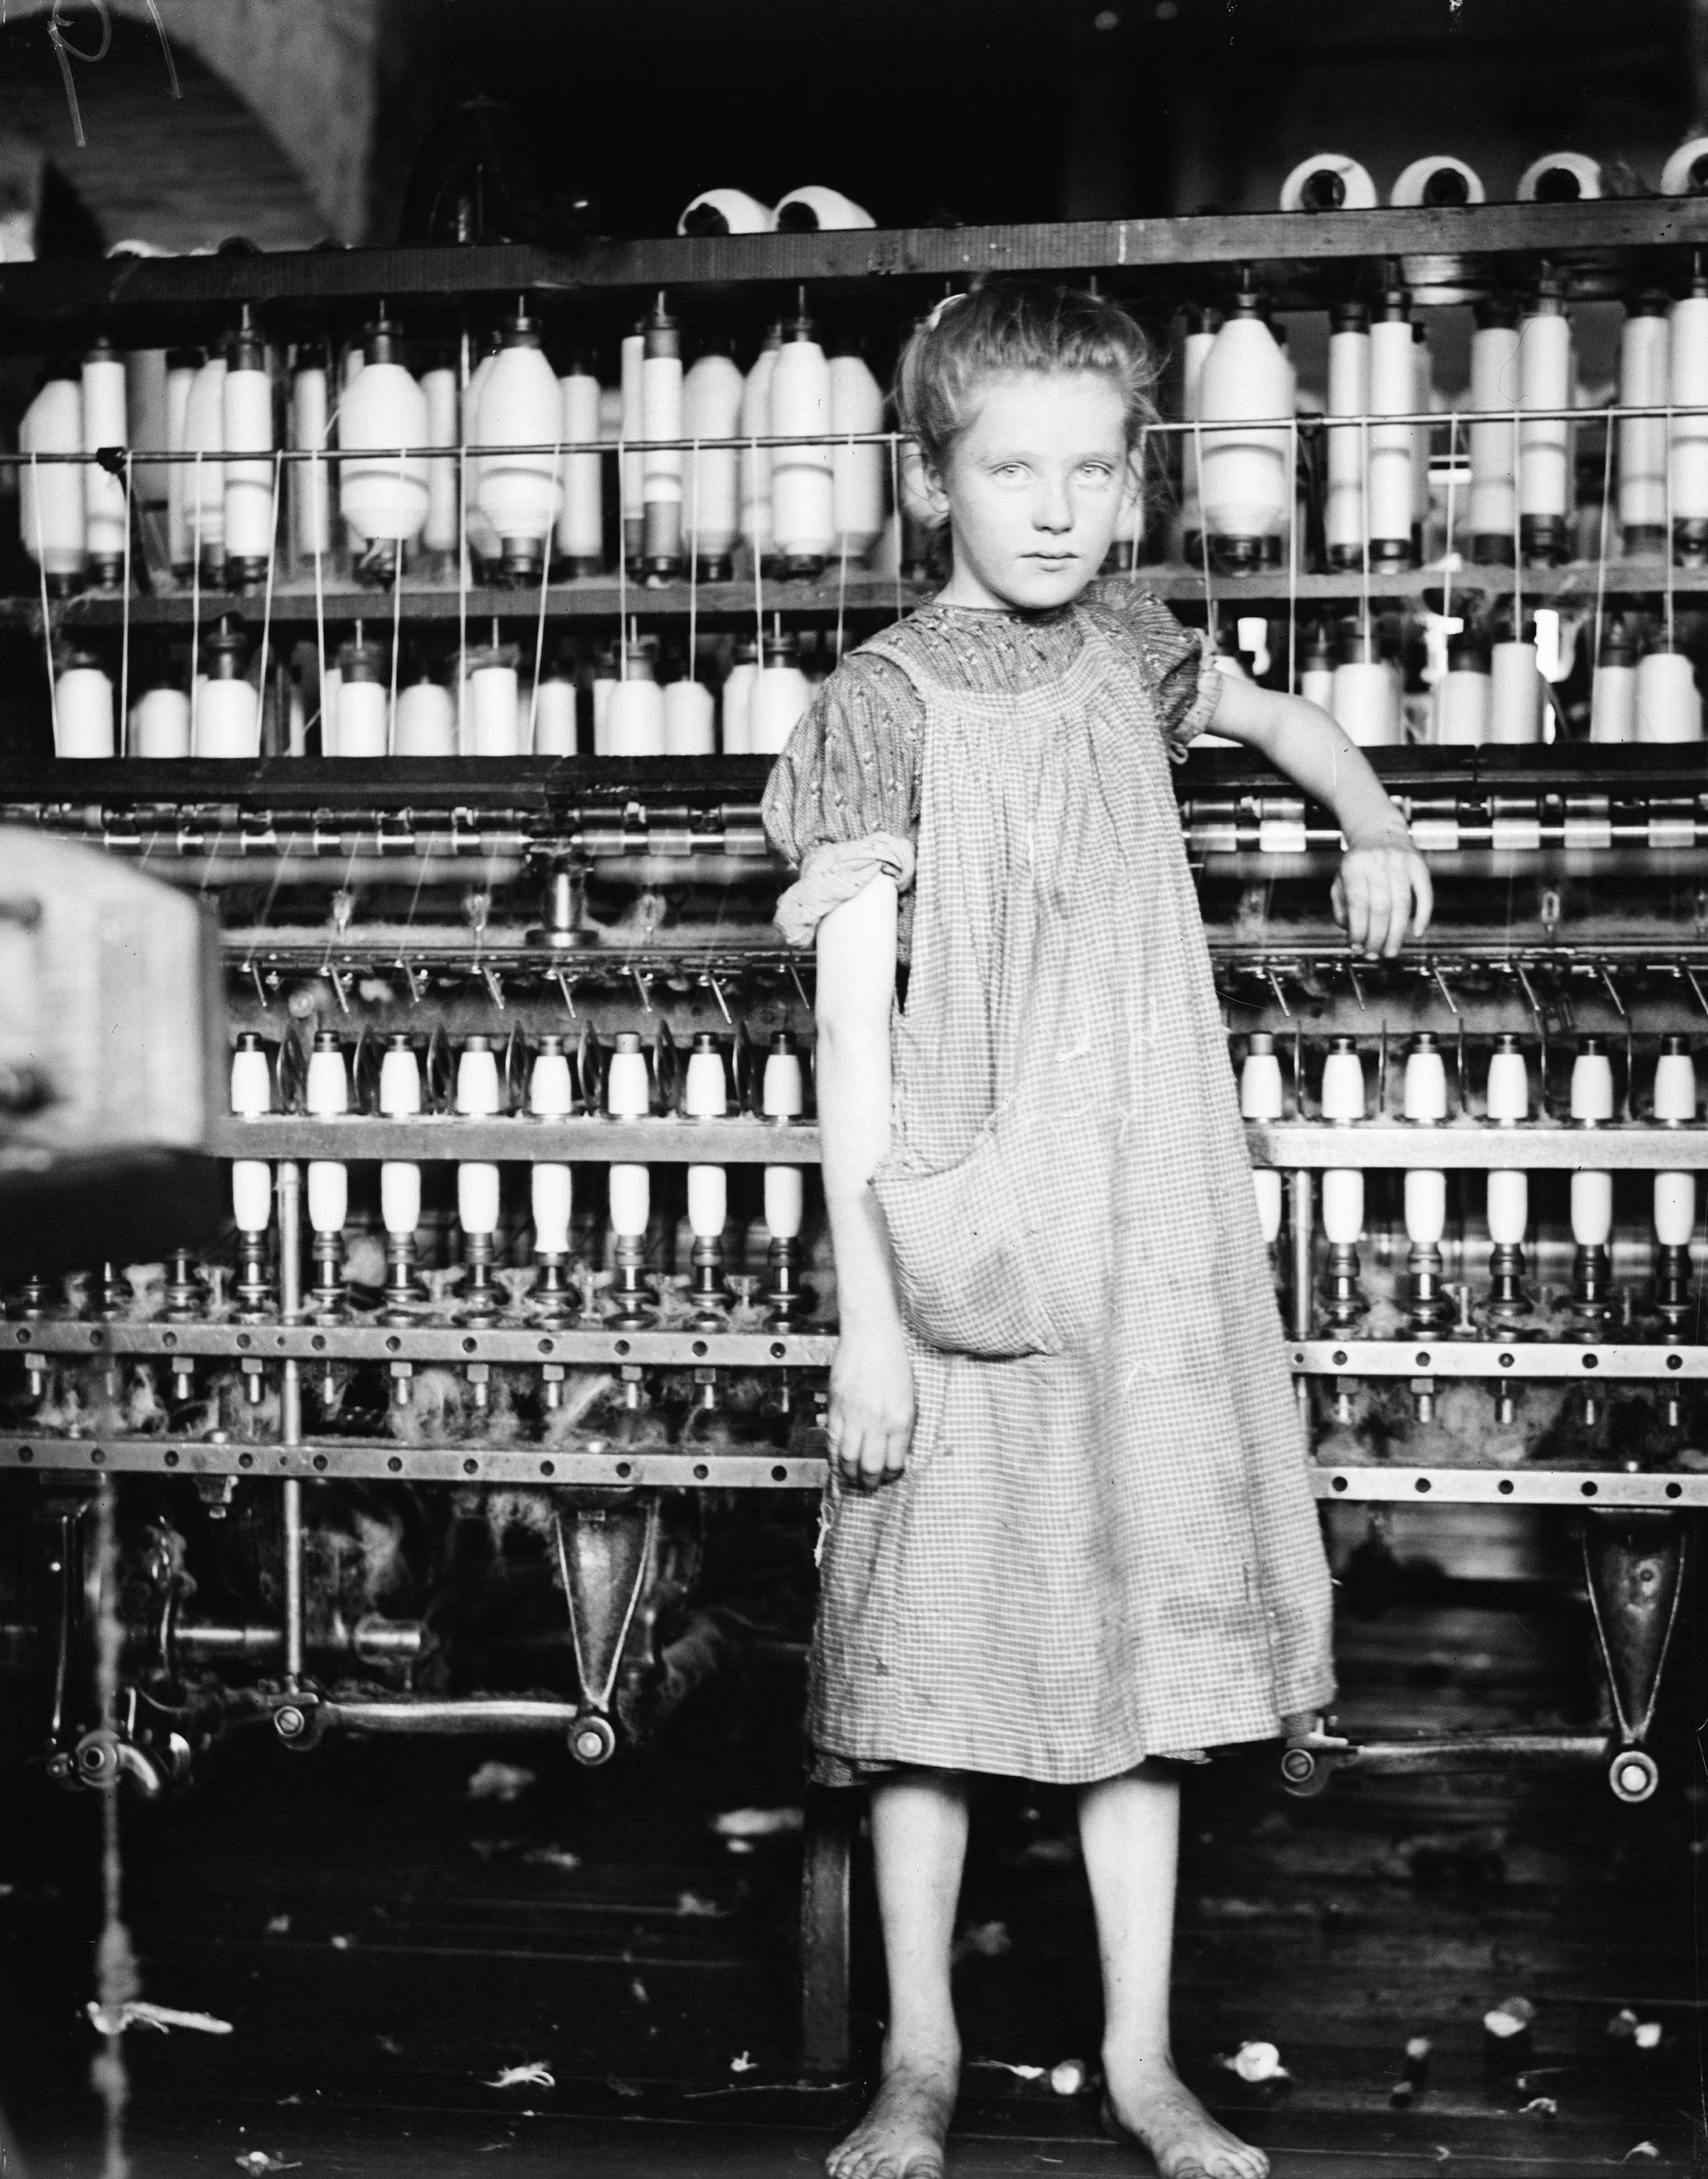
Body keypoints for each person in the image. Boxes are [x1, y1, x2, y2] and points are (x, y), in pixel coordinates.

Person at [761, 281, 1432, 2179]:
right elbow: (843, 1042)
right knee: (929, 1674)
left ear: (1134, 482)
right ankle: (918, 2058)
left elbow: (1286, 713)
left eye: (1086, 467)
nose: (1049, 507)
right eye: (1005, 469)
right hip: (963, 1238)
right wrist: (868, 1321)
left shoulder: (1137, 642)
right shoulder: (874, 708)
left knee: (1142, 1665)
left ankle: (1139, 2059)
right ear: (929, 483)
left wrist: (1369, 817)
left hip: (1143, 1232)